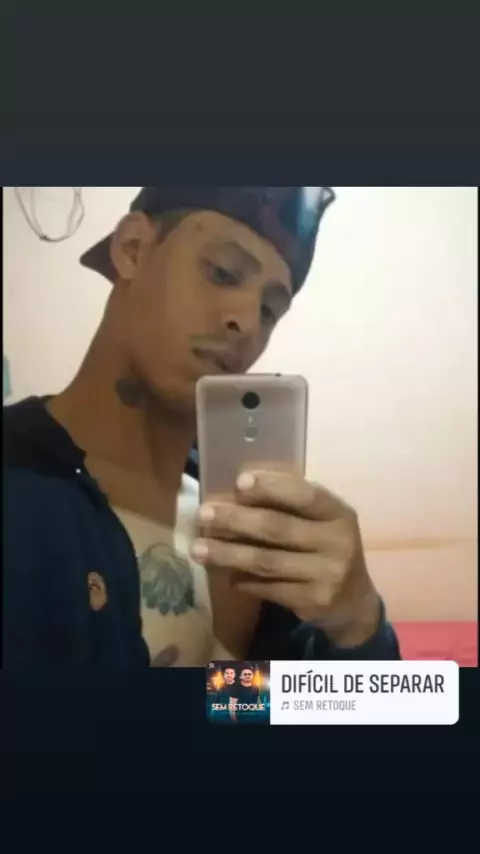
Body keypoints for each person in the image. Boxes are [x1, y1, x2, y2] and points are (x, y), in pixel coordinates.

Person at [3, 186, 401, 668]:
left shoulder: (248, 516)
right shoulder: (20, 490)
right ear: (133, 249)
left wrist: (360, 624)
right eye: (223, 273)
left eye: (269, 310)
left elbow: (303, 705)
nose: (247, 323)